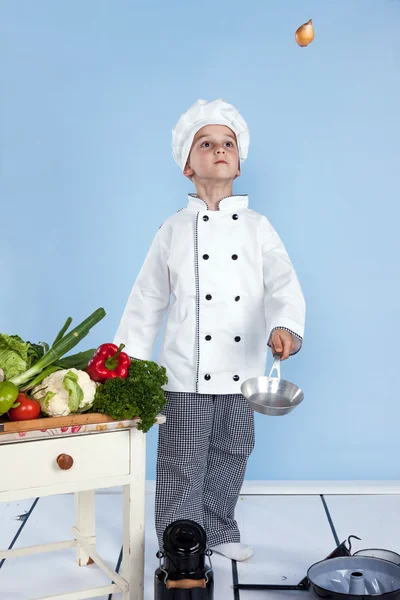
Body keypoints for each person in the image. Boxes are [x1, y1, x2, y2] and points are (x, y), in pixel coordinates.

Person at [114, 98, 306, 562]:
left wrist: (286, 324)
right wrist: (128, 364)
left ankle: (218, 529)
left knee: (231, 452)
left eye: (228, 143)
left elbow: (283, 282)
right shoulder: (173, 230)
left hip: (244, 373)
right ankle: (180, 543)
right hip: (184, 373)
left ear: (239, 162)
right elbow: (147, 300)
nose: (218, 149)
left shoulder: (259, 228)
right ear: (186, 165)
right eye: (206, 143)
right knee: (181, 462)